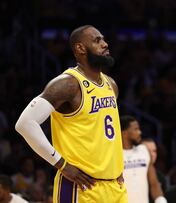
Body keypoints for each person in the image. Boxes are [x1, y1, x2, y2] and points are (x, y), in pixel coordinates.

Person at [15, 25, 127, 202]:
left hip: (115, 186)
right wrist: (62, 164)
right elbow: (25, 124)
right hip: (81, 187)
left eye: (104, 39)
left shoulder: (111, 84)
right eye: (97, 40)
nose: (105, 44)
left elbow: (106, 136)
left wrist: (117, 169)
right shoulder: (68, 84)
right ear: (80, 48)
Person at [121, 115, 167, 203]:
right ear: (124, 133)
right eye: (136, 129)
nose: (140, 132)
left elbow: (154, 183)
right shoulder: (115, 155)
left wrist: (161, 200)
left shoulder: (143, 150)